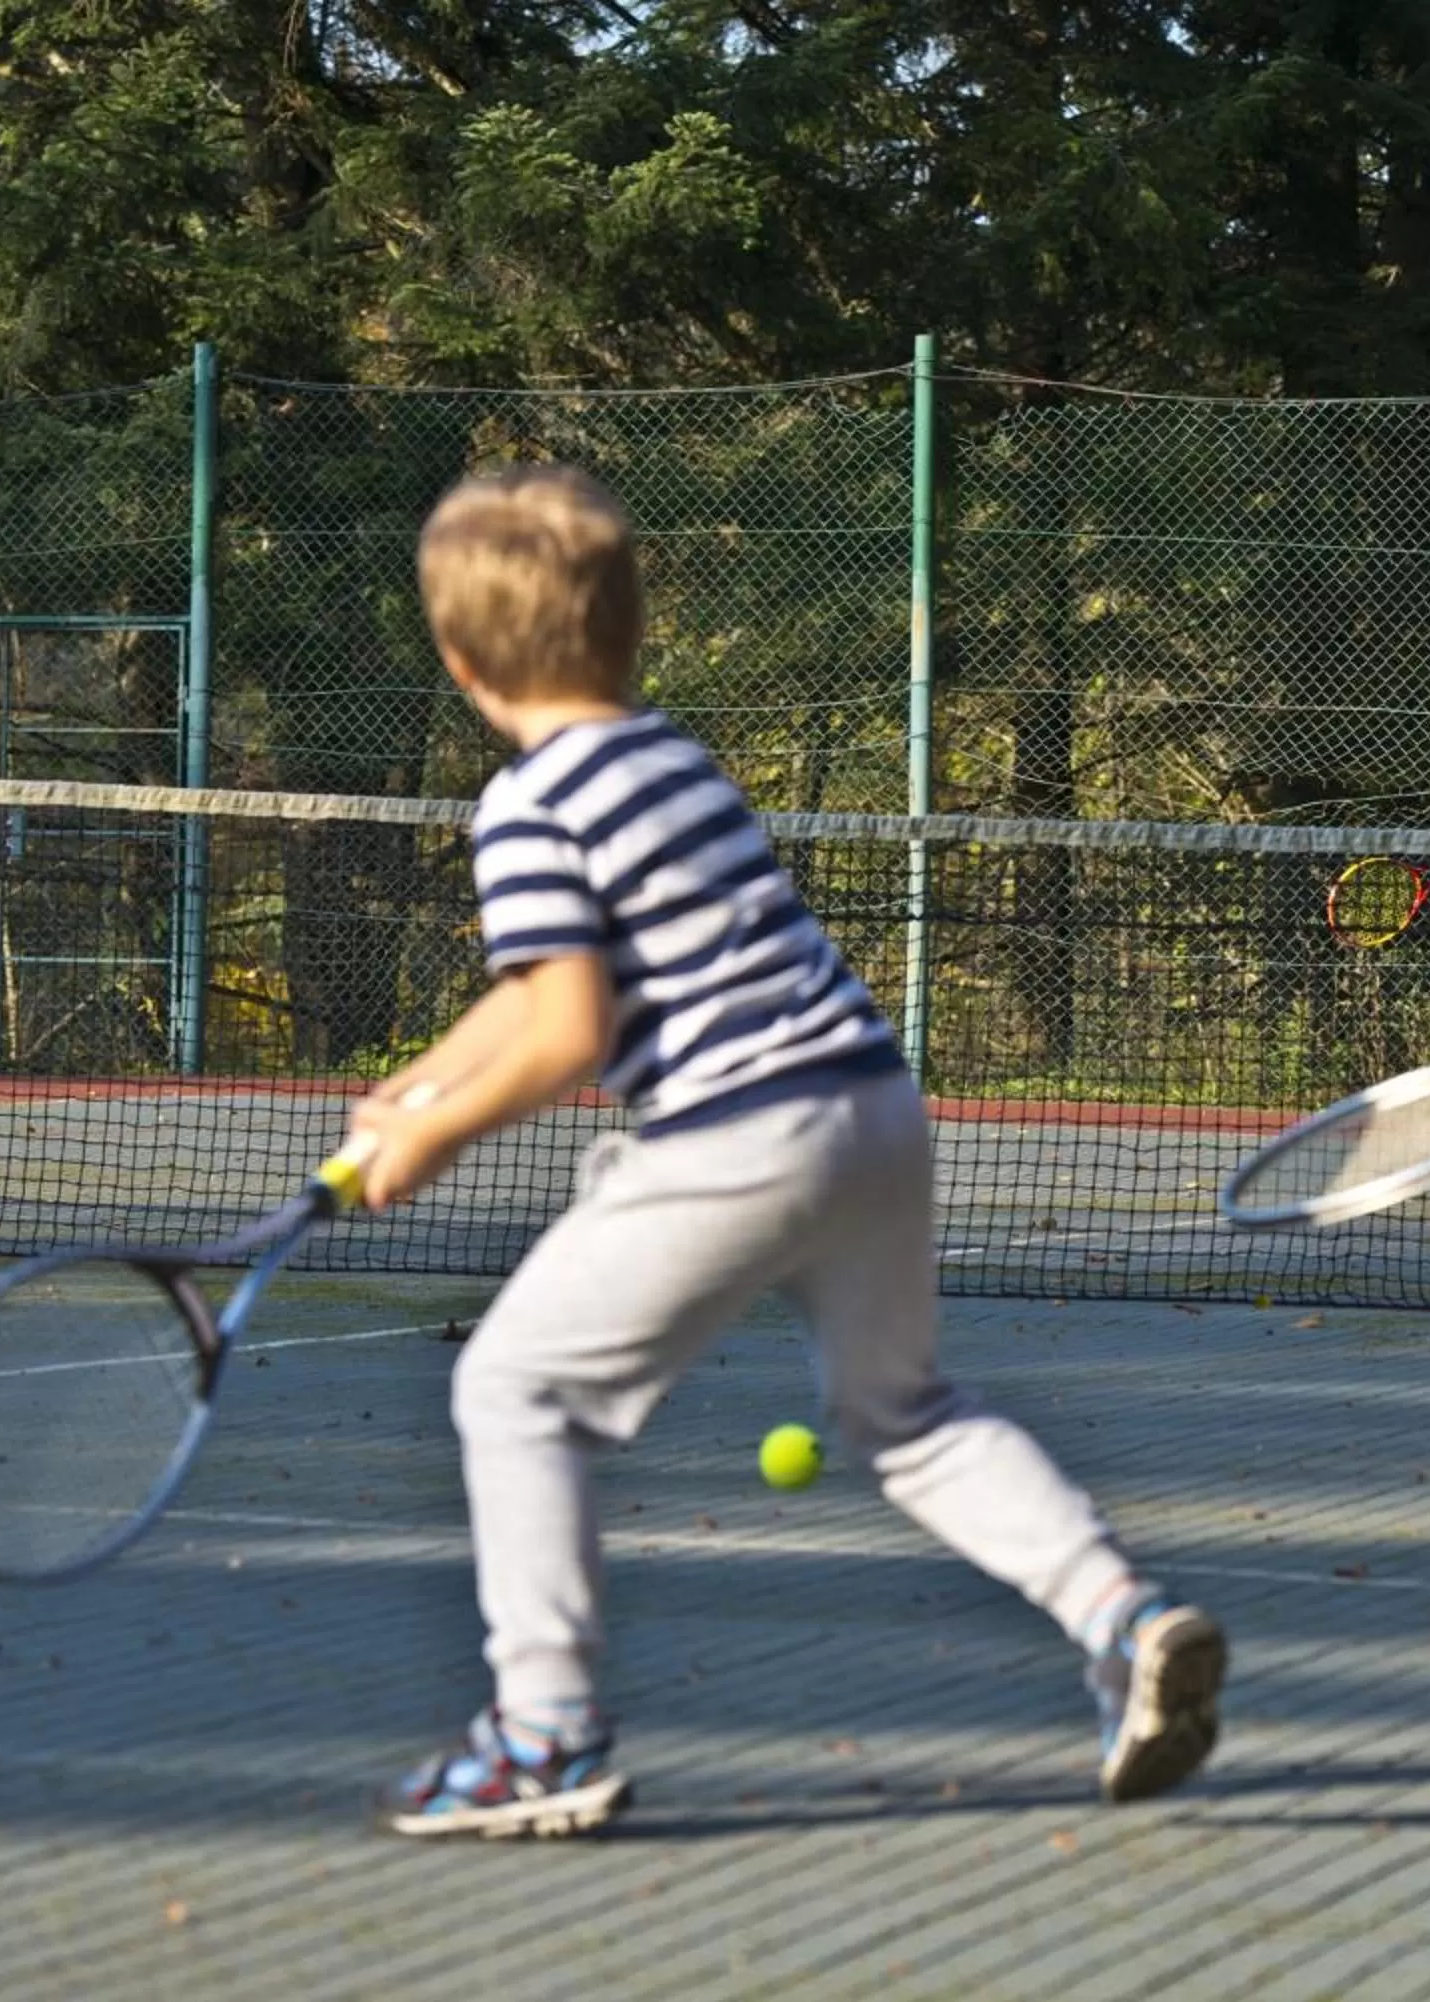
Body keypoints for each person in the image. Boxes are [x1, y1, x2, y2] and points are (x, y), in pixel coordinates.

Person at [353, 465, 1225, 1839]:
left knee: (513, 1392)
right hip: (875, 1111)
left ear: (461, 659)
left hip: (737, 1133)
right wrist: (414, 1083)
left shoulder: (528, 803)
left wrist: (438, 1136)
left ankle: (544, 1733)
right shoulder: (669, 758)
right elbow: (542, 991)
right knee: (907, 1416)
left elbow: (570, 1022)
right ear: (625, 631)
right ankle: (1126, 1618)